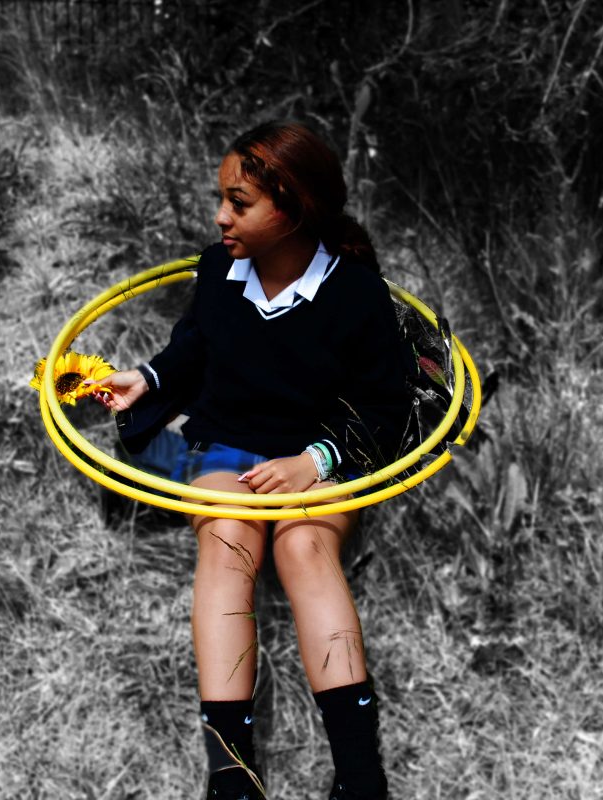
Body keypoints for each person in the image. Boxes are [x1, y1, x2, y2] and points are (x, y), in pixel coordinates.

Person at [91, 122, 412, 800]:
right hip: (231, 441)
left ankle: (361, 778)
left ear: (292, 207)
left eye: (238, 202)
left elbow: (387, 407)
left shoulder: (355, 293)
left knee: (303, 552)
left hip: (318, 451)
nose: (220, 216)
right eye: (221, 199)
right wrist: (146, 378)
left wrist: (317, 461)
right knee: (230, 539)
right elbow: (194, 350)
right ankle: (233, 776)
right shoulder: (218, 270)